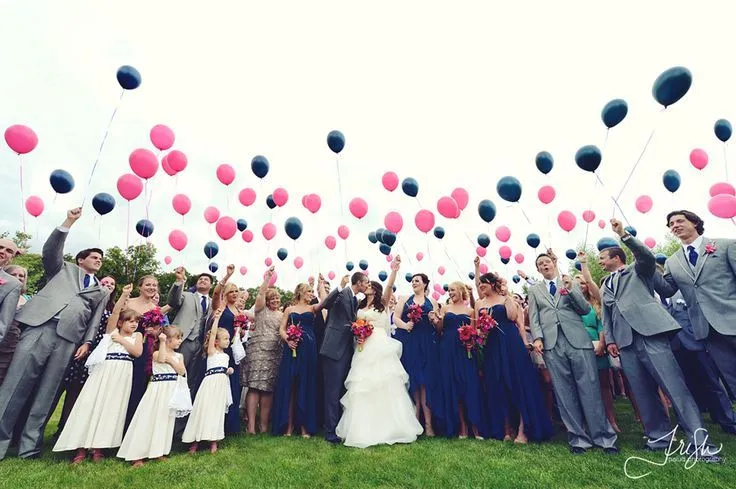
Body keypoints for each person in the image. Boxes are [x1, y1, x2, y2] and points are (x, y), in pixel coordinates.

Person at [600, 219, 720, 460]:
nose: (600, 260)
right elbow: (606, 314)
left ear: (617, 257)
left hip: (650, 335)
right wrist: (611, 339)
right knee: (643, 392)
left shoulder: (638, 269)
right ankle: (660, 438)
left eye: (603, 256)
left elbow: (645, 255)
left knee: (674, 388)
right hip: (625, 343)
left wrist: (624, 234)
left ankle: (700, 442)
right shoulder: (605, 285)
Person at [0, 208, 110, 460]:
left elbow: (94, 319)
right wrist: (68, 222)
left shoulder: (101, 291)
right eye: (93, 257)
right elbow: (50, 251)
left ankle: (30, 448)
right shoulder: (63, 269)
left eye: (100, 259)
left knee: (47, 393)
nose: (97, 260)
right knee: (16, 384)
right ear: (81, 259)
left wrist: (88, 342)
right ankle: (2, 441)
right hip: (41, 327)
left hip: (69, 340)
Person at [527, 250, 618, 455]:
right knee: (564, 392)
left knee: (590, 389)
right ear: (538, 269)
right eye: (540, 264)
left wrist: (572, 290)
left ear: (554, 263)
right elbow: (534, 317)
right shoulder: (535, 291)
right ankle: (578, 439)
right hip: (552, 344)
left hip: (578, 341)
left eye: (547, 262)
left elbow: (585, 309)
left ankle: (604, 438)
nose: (544, 265)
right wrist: (539, 338)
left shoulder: (570, 283)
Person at [335, 256, 422, 447]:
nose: (366, 286)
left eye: (369, 284)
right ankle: (362, 428)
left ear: (374, 288)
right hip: (363, 346)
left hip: (380, 345)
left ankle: (391, 426)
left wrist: (395, 269)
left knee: (384, 382)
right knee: (363, 384)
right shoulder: (358, 305)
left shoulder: (382, 302)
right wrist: (357, 332)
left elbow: (389, 286)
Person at [53, 285, 142, 463]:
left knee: (111, 409)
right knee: (91, 405)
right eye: (130, 321)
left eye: (136, 321)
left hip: (122, 374)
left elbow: (137, 352)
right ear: (120, 323)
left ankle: (99, 447)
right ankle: (80, 447)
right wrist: (124, 295)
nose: (133, 324)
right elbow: (115, 313)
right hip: (104, 372)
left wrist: (123, 340)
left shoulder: (136, 336)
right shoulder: (112, 332)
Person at [656, 210, 736, 398]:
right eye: (671, 224)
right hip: (706, 329)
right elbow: (667, 290)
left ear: (694, 222)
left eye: (679, 221)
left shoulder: (725, 245)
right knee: (731, 377)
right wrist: (647, 268)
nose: (675, 225)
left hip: (733, 318)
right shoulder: (672, 261)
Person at [474, 265, 553, 444]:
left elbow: (513, 318)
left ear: (492, 284)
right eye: (479, 284)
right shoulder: (479, 303)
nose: (480, 286)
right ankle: (505, 428)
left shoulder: (506, 299)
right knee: (497, 385)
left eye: (483, 283)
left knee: (519, 383)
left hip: (510, 342)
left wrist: (506, 293)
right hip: (491, 345)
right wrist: (480, 331)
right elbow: (478, 326)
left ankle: (523, 429)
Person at [663, 291, 736, 435]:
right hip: (672, 347)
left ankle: (727, 420)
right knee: (680, 386)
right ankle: (685, 423)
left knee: (712, 382)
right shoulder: (650, 296)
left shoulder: (681, 292)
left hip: (695, 342)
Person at [118, 326, 187, 466]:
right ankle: (137, 455)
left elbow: (181, 371)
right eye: (177, 338)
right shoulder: (156, 353)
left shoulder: (179, 356)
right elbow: (161, 359)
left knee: (164, 421)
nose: (180, 341)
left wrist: (172, 361)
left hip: (171, 391)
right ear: (167, 340)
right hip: (158, 390)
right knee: (149, 418)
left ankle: (158, 451)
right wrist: (162, 344)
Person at [57, 276, 117, 434]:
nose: (108, 285)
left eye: (112, 284)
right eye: (105, 282)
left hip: (101, 349)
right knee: (74, 388)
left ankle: (80, 430)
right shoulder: (90, 301)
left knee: (89, 391)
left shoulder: (114, 308)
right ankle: (64, 426)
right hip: (84, 346)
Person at [319, 271, 370, 444]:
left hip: (347, 350)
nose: (367, 285)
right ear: (358, 282)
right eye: (366, 282)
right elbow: (326, 303)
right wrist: (340, 286)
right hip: (333, 349)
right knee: (332, 392)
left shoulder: (356, 300)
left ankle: (340, 427)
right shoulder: (342, 294)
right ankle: (330, 431)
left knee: (342, 391)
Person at [431, 280, 486, 439]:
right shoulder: (445, 308)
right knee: (452, 385)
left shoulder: (470, 311)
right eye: (449, 291)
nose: (450, 293)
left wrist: (471, 341)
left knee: (470, 386)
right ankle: (461, 427)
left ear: (461, 291)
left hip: (465, 350)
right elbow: (440, 329)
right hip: (447, 349)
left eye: (453, 290)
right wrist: (437, 320)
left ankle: (475, 426)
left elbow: (475, 332)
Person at [272, 281, 326, 437]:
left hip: (308, 349)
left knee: (306, 386)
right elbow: (282, 328)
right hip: (292, 348)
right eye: (309, 291)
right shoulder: (289, 309)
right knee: (291, 386)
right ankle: (288, 427)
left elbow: (324, 302)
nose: (311, 294)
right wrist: (288, 339)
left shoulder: (312, 309)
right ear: (301, 292)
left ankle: (304, 427)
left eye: (312, 291)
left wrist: (320, 285)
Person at [575, 252, 620, 433]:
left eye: (582, 284)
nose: (581, 287)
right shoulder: (570, 304)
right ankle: (589, 419)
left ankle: (611, 418)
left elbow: (603, 324)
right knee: (584, 384)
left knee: (603, 384)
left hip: (597, 345)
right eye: (577, 285)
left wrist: (602, 344)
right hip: (578, 347)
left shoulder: (596, 303)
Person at [393, 273, 440, 436]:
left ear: (425, 284)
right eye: (412, 281)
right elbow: (395, 318)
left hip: (426, 344)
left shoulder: (432, 302)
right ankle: (414, 421)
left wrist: (435, 320)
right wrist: (406, 325)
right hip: (411, 342)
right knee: (413, 380)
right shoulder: (405, 299)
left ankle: (428, 425)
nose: (414, 283)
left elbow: (437, 324)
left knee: (425, 382)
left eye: (417, 281)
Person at [183, 308, 233, 454]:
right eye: (225, 339)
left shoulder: (226, 355)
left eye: (228, 339)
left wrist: (229, 370)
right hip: (210, 384)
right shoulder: (212, 351)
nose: (228, 341)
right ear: (216, 342)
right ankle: (195, 441)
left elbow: (225, 368)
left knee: (216, 411)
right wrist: (216, 319)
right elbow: (211, 335)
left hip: (221, 385)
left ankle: (213, 441)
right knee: (203, 409)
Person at [242, 267, 283, 434]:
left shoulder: (282, 315)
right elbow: (260, 294)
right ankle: (251, 426)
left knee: (268, 388)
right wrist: (267, 278)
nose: (274, 300)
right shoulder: (260, 309)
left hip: (274, 353)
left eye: (277, 298)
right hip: (257, 351)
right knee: (254, 387)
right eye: (271, 298)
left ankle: (264, 425)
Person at [167, 267, 213, 396]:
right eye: (200, 279)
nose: (202, 280)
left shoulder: (212, 303)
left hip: (201, 344)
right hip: (183, 340)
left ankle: (185, 410)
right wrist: (179, 281)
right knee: (176, 372)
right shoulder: (186, 295)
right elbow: (173, 301)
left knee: (191, 378)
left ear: (211, 285)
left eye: (206, 279)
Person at [210, 265, 244, 435]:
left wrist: (242, 331)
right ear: (226, 294)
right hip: (219, 350)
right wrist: (227, 276)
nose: (235, 294)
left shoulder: (238, 310)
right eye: (232, 291)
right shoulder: (220, 307)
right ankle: (214, 424)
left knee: (233, 385)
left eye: (236, 291)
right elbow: (216, 294)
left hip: (233, 350)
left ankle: (230, 425)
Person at [0, 242, 23, 386]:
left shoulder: (12, 284)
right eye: (0, 247)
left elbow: (3, 322)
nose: (3, 251)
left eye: (9, 251)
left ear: (11, 258)